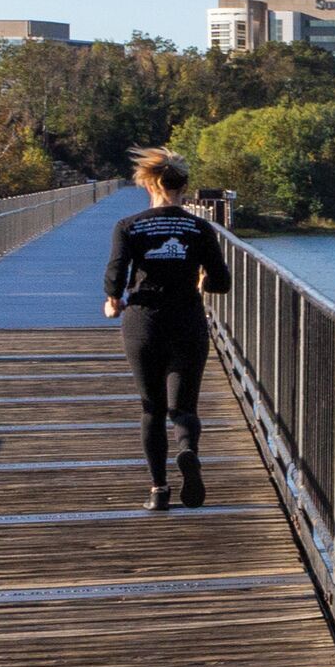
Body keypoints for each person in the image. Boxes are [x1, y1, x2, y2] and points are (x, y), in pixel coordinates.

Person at [103, 148, 230, 510]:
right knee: (184, 405)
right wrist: (203, 280)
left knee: (152, 409)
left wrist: (113, 300)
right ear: (183, 187)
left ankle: (158, 491)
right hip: (187, 320)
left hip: (143, 321)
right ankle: (187, 448)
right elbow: (222, 281)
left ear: (148, 184)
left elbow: (115, 272)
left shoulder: (129, 226)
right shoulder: (199, 227)